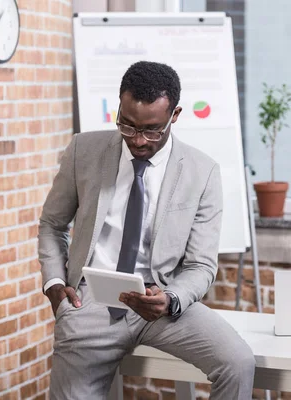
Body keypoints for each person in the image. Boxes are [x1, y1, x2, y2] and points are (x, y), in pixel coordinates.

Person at [38, 61, 256, 399]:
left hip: (161, 304)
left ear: (175, 115)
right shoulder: (84, 150)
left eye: (152, 130)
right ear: (120, 108)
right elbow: (52, 224)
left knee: (238, 362)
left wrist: (170, 299)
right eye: (127, 125)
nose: (138, 140)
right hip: (90, 304)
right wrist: (54, 284)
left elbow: (201, 265)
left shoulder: (203, 172)